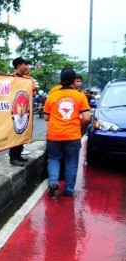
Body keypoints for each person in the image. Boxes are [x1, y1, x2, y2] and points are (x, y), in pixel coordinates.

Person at [43, 68, 91, 197]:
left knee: (54, 159)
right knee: (71, 161)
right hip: (72, 135)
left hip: (54, 135)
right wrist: (77, 123)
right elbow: (86, 117)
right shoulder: (80, 96)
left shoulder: (52, 96)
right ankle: (69, 190)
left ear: (61, 80)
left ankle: (53, 182)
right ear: (73, 81)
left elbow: (46, 117)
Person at [9, 57, 37, 166]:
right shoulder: (12, 78)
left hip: (25, 110)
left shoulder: (27, 79)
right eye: (26, 65)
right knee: (15, 134)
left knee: (22, 133)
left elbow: (33, 94)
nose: (27, 67)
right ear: (19, 65)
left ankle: (18, 154)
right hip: (15, 110)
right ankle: (13, 158)